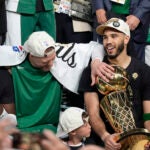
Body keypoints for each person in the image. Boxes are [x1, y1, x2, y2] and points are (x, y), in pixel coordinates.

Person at [78, 18, 150, 149]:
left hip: (138, 141)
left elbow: (148, 115)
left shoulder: (144, 71)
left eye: (114, 36)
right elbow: (92, 113)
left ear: (126, 39)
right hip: (105, 142)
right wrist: (105, 136)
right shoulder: (91, 71)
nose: (108, 42)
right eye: (105, 38)